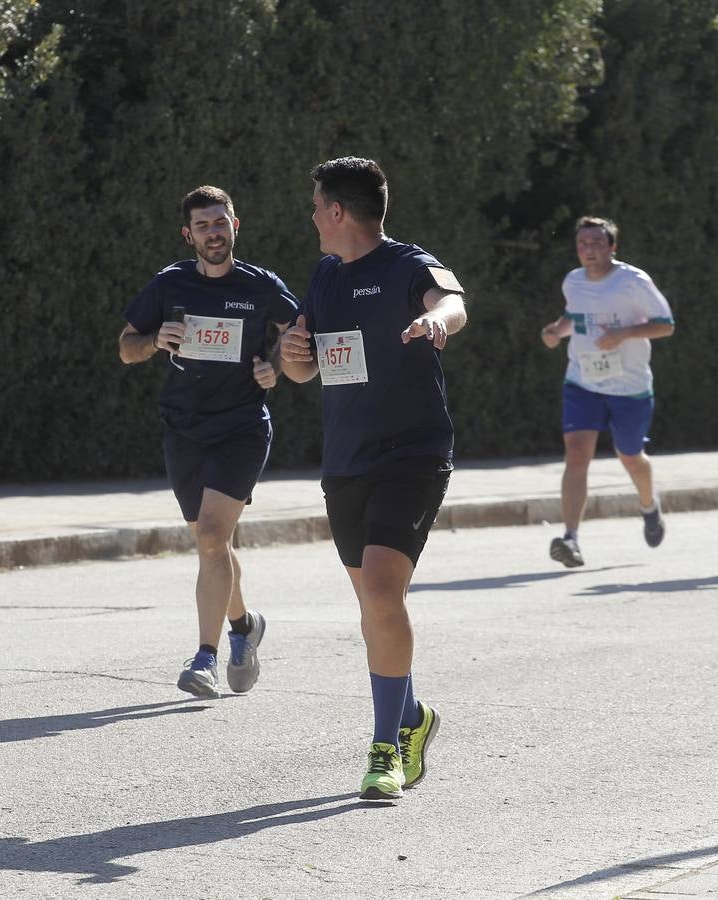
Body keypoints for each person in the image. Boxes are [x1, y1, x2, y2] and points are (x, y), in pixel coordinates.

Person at [279, 157, 465, 802]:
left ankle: (387, 749)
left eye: (315, 206)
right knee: (373, 605)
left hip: (412, 455)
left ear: (337, 212)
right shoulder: (325, 276)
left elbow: (453, 298)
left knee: (383, 591)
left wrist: (439, 320)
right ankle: (413, 717)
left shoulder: (408, 264)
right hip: (346, 460)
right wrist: (291, 356)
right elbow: (302, 368)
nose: (310, 217)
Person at [119, 186, 298, 699]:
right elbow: (126, 346)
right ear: (188, 234)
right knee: (211, 541)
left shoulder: (261, 286)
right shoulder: (170, 284)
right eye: (203, 226)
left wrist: (277, 367)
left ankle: (205, 657)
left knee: (213, 538)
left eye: (221, 222)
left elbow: (301, 333)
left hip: (241, 427)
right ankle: (244, 626)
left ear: (235, 225)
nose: (213, 233)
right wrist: (154, 341)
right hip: (184, 430)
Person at [539, 216, 674, 568]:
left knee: (630, 457)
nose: (589, 250)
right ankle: (571, 539)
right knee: (576, 456)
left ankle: (649, 505)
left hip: (629, 387)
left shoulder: (633, 281)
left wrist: (624, 334)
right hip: (582, 381)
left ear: (613, 247)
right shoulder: (574, 281)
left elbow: (666, 324)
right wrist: (557, 330)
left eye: (597, 243)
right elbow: (575, 316)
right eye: (583, 244)